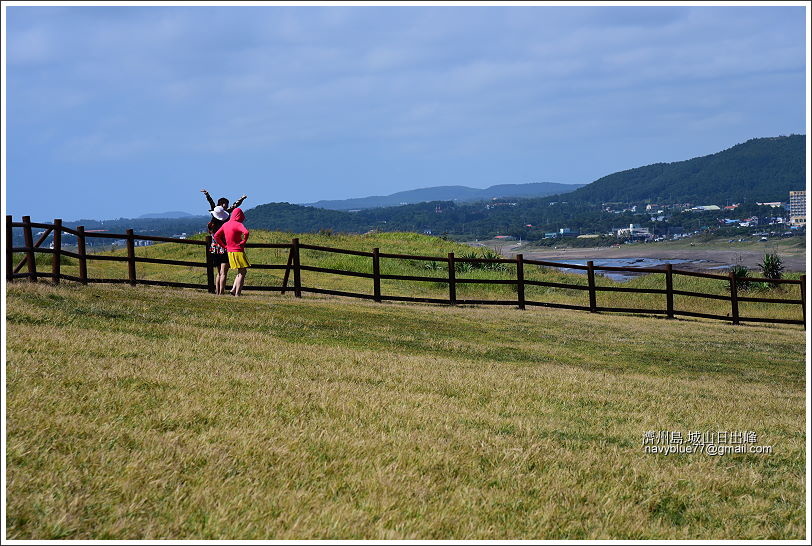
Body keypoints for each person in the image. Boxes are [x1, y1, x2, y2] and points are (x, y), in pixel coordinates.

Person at [201, 189, 247, 295]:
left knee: (219, 272)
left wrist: (207, 195)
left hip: (214, 246)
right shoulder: (224, 217)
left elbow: (212, 203)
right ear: (222, 204)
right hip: (224, 245)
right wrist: (242, 199)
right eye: (226, 204)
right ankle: (221, 292)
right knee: (223, 272)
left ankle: (218, 292)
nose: (227, 206)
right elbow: (235, 206)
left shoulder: (214, 216)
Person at [213, 208, 250, 297]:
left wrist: (224, 246)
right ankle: (237, 293)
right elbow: (246, 232)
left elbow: (216, 236)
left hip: (229, 251)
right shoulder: (238, 224)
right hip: (238, 251)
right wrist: (243, 241)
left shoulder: (225, 224)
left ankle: (233, 290)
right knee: (242, 272)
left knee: (240, 271)